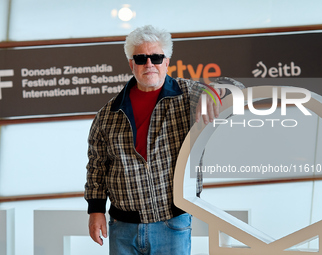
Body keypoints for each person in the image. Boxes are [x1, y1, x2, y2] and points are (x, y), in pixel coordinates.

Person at [84, 25, 226, 255]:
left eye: (156, 57)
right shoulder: (108, 114)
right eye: (141, 58)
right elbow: (96, 166)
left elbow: (234, 91)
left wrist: (212, 93)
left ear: (167, 62)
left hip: (173, 222)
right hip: (122, 228)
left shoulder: (189, 95)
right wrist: (95, 210)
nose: (149, 64)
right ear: (132, 64)